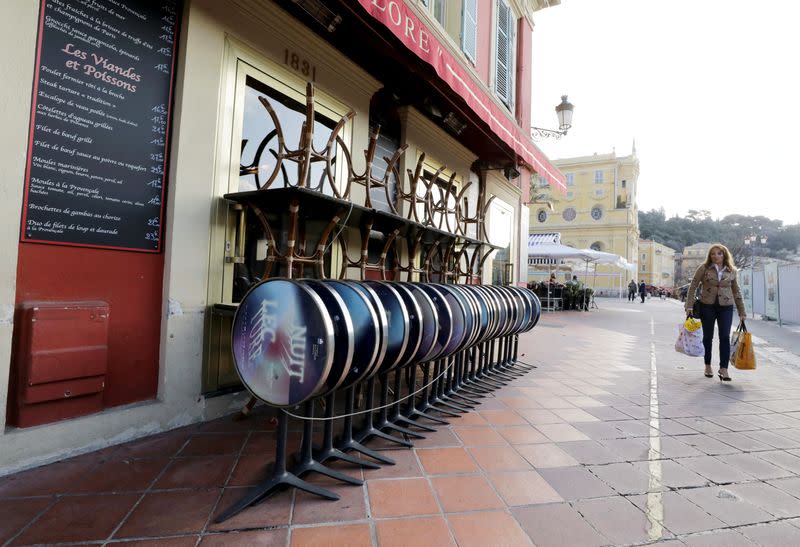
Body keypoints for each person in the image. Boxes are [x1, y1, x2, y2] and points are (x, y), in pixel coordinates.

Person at [685, 243, 746, 381]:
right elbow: (693, 286)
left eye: (719, 253)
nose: (716, 256)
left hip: (726, 306)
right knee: (708, 337)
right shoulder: (704, 268)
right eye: (713, 253)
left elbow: (736, 291)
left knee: (724, 336)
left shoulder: (732, 270)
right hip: (707, 305)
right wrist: (689, 306)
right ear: (709, 255)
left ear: (724, 255)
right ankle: (707, 365)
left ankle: (723, 369)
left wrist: (742, 311)